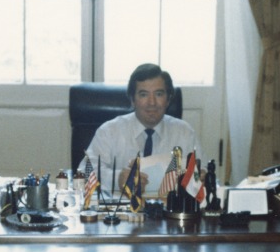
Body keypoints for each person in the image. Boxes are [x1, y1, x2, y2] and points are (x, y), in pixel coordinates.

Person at [80, 63, 204, 196]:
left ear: (168, 100)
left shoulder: (184, 132)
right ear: (133, 100)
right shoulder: (109, 131)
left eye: (159, 94)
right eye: (143, 94)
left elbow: (201, 173)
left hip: (169, 211)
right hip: (121, 211)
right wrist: (118, 179)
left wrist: (200, 177)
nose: (152, 102)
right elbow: (84, 172)